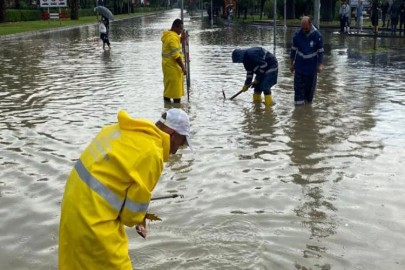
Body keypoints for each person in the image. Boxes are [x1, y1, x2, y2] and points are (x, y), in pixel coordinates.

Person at [59, 108, 192, 270]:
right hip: (93, 217)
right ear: (172, 133)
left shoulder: (120, 129)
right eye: (181, 142)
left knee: (78, 263)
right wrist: (140, 216)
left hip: (71, 203)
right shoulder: (152, 153)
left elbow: (109, 176)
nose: (176, 150)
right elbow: (130, 216)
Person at [290, 16, 324, 106]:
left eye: (306, 28)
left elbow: (320, 52)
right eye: (302, 28)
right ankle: (298, 113)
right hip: (299, 67)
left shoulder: (317, 36)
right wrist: (291, 64)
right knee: (298, 91)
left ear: (310, 24)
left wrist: (320, 64)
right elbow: (293, 50)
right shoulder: (297, 35)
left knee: (309, 94)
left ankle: (308, 111)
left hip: (311, 68)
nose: (304, 30)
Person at [161, 19, 187, 104]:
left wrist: (181, 39)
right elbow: (176, 55)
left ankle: (167, 109)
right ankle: (176, 112)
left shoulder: (169, 36)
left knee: (168, 91)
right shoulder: (173, 38)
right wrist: (183, 67)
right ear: (174, 27)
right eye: (180, 28)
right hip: (173, 68)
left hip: (167, 67)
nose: (181, 31)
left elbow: (172, 46)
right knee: (176, 94)